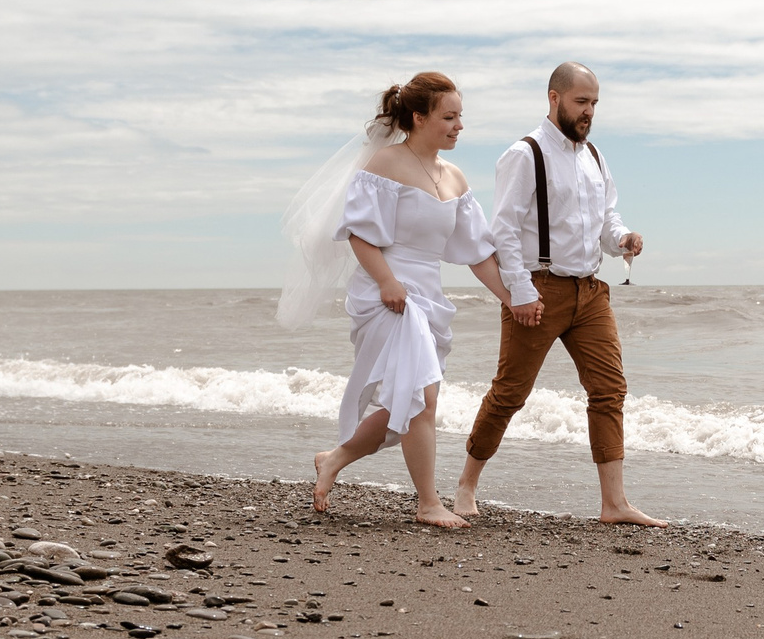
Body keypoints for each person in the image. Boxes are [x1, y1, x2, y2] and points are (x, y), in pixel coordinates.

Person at [277, 71, 510, 526]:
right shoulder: (384, 164)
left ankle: (335, 458)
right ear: (419, 118)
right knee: (420, 396)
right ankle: (428, 503)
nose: (459, 125)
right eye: (449, 116)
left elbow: (479, 252)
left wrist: (511, 298)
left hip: (429, 295)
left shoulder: (454, 177)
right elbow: (360, 235)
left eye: (461, 116)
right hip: (389, 295)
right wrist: (386, 281)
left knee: (410, 399)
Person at [453, 62, 664, 525]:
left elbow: (606, 222)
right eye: (581, 102)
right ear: (554, 98)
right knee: (510, 392)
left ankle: (614, 504)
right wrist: (521, 292)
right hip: (539, 289)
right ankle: (466, 486)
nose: (589, 112)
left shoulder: (596, 157)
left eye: (594, 104)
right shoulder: (524, 154)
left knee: (609, 389)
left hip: (590, 292)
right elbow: (503, 231)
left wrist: (624, 239)